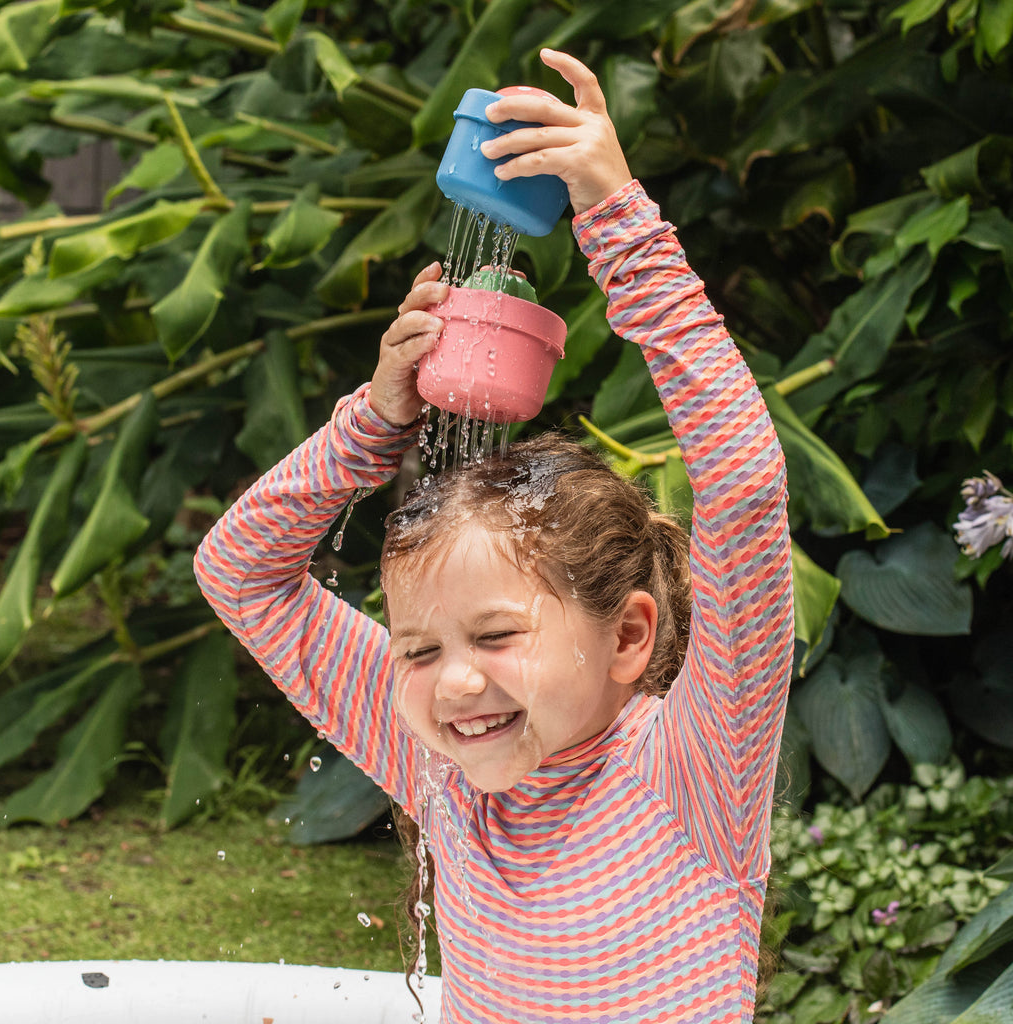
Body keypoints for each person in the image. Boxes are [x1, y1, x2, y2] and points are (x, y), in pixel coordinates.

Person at [195, 48, 793, 1024]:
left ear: (629, 637)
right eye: (420, 646)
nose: (456, 678)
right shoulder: (438, 754)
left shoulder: (696, 769)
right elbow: (240, 574)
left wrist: (617, 220)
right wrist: (374, 419)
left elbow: (743, 484)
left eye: (498, 634)